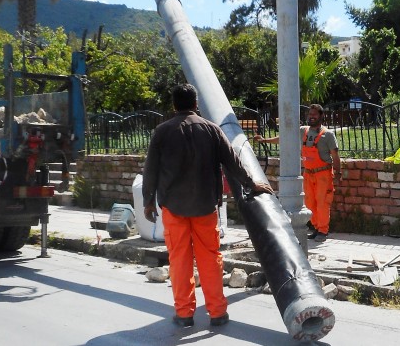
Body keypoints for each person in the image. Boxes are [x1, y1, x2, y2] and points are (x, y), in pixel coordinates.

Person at [142, 84, 273, 328]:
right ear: (196, 103)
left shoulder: (162, 131)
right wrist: (251, 184)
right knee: (210, 259)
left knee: (179, 261)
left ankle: (184, 315)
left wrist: (148, 202)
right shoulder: (212, 129)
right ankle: (217, 313)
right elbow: (232, 161)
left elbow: (150, 169)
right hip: (205, 206)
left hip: (173, 207)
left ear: (174, 105)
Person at [253, 104, 340, 242]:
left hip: (323, 174)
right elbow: (284, 138)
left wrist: (338, 174)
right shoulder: (303, 131)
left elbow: (335, 156)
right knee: (309, 202)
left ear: (321, 116)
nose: (311, 117)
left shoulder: (328, 134)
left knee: (322, 202)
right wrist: (265, 140)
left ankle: (323, 231)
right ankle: (316, 228)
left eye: (314, 114)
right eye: (310, 114)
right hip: (308, 173)